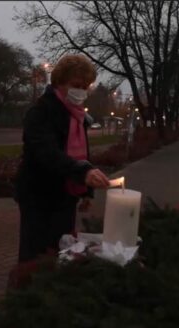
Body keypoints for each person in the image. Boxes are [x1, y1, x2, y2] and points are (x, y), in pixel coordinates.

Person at [14, 54, 110, 263]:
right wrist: (82, 173)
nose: (81, 91)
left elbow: (82, 154)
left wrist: (86, 191)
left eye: (86, 86)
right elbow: (47, 153)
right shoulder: (40, 112)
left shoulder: (77, 116)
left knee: (61, 252)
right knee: (35, 257)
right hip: (38, 196)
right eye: (76, 85)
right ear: (59, 82)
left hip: (65, 197)